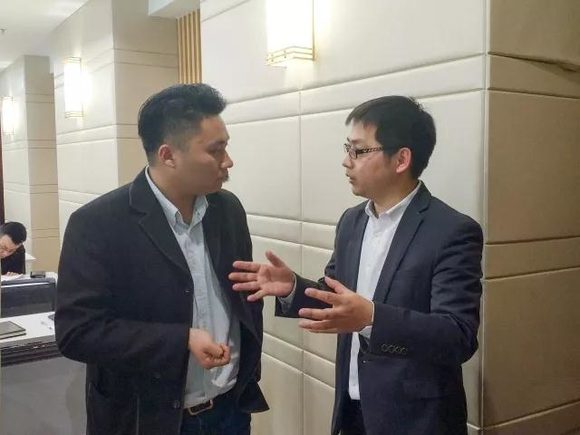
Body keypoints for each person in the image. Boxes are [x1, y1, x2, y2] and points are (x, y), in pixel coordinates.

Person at [230, 96, 483, 435]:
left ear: (401, 159)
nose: (346, 161)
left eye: (358, 151)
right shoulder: (352, 221)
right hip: (352, 410)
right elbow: (337, 300)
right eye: (347, 148)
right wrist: (293, 287)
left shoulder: (451, 231)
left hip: (415, 419)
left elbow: (457, 336)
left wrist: (372, 317)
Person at [55, 84, 267, 435]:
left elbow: (240, 297)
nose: (228, 161)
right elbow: (77, 332)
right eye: (216, 150)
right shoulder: (98, 223)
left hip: (230, 409)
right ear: (168, 155)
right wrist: (180, 339)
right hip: (148, 419)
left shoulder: (227, 210)